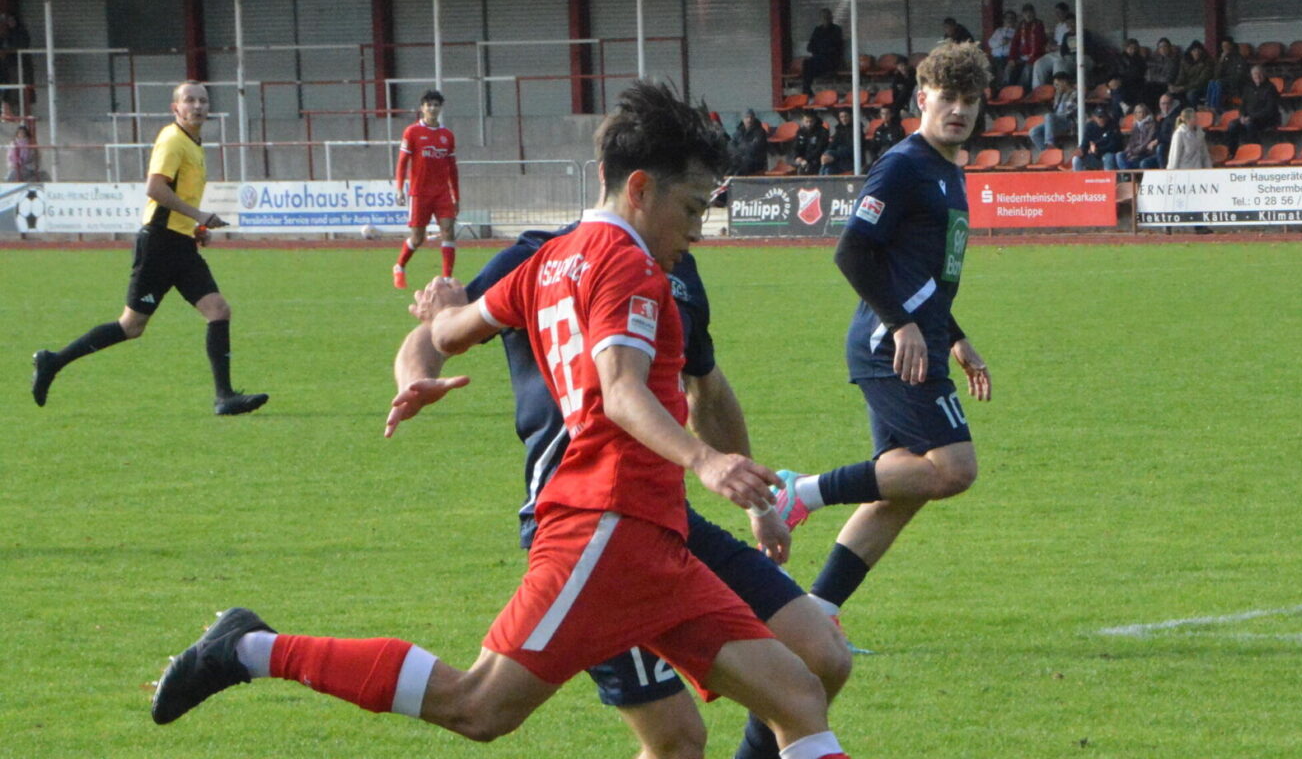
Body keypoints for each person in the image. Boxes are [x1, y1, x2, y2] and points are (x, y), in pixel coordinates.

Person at [150, 81, 853, 759]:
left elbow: (455, 330)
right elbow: (619, 388)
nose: (697, 230)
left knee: (798, 695)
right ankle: (250, 649)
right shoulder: (628, 268)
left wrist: (442, 313)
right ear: (638, 188)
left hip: (654, 539)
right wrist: (707, 461)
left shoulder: (548, 260)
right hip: (603, 526)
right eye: (692, 209)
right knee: (480, 705)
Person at [383, 231, 853, 759]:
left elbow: (708, 390)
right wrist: (416, 379)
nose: (695, 223)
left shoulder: (676, 268)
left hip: (660, 515)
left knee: (822, 656)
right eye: (691, 202)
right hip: (581, 523)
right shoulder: (541, 257)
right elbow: (435, 333)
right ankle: (270, 651)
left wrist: (759, 503)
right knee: (675, 741)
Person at [765, 41, 994, 640]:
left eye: (970, 100)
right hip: (888, 346)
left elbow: (924, 272)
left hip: (917, 340)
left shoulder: (947, 171)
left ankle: (817, 615)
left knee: (902, 487)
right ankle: (801, 492)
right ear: (923, 98)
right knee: (954, 469)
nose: (959, 110)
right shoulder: (903, 165)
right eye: (948, 98)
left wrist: (955, 337)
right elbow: (852, 251)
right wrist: (903, 326)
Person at [29, 81, 266, 416]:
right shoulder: (172, 139)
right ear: (176, 108)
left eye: (202, 100)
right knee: (131, 326)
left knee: (218, 310)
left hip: (180, 243)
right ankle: (54, 361)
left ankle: (224, 397)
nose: (197, 106)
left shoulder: (194, 144)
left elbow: (177, 197)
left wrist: (194, 228)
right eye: (189, 100)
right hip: (159, 244)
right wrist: (198, 215)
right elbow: (155, 188)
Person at [392, 89, 460, 289]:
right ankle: (399, 266)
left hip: (442, 194)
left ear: (440, 108)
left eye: (436, 105)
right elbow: (402, 163)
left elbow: (452, 169)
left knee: (448, 231)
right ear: (422, 108)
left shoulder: (447, 136)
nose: (432, 108)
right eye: (428, 104)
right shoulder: (412, 132)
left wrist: (456, 196)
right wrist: (399, 188)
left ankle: (447, 279)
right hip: (419, 193)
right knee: (418, 237)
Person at [1226, 64, 1279, 151]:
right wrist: (1242, 116)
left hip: (1266, 119)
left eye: (1259, 73)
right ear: (1251, 76)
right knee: (1232, 124)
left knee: (1249, 124)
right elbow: (1242, 106)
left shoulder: (1270, 88)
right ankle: (1232, 152)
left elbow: (1270, 110)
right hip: (1248, 118)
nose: (1257, 76)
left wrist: (1251, 117)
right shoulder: (1248, 88)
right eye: (1255, 74)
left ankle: (1254, 150)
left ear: (1264, 74)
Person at [1029, 71, 1077, 153]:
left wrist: (1054, 117)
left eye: (1057, 84)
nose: (1056, 87)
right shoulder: (1058, 94)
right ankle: (1047, 153)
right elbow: (1056, 109)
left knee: (1049, 116)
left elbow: (1068, 112)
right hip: (1056, 122)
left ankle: (1050, 143)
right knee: (1033, 132)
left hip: (1068, 122)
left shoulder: (1075, 93)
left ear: (1064, 82)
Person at [802, 9, 845, 97]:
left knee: (817, 61)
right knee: (807, 63)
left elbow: (835, 47)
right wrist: (820, 48)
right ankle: (806, 90)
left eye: (827, 17)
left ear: (831, 18)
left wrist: (821, 47)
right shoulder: (817, 30)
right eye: (823, 17)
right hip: (818, 59)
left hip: (831, 61)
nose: (825, 19)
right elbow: (810, 47)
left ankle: (807, 91)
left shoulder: (836, 29)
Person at [1004, 3, 1047, 90]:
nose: (1028, 15)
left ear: (1034, 13)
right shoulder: (1021, 25)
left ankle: (1021, 91)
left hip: (1035, 56)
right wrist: (1012, 58)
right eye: (1026, 13)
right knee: (1009, 68)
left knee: (1027, 69)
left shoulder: (1039, 24)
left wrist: (1030, 58)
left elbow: (1039, 44)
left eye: (1030, 12)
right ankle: (1006, 90)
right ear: (1023, 15)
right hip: (1022, 57)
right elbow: (1015, 43)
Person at [1030, 2, 1072, 88]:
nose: (1058, 15)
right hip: (1054, 52)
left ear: (1066, 12)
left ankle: (1057, 91)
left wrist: (1056, 47)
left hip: (1064, 53)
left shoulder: (1071, 24)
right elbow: (1056, 41)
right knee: (1039, 63)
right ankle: (1038, 90)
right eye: (1056, 13)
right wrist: (1049, 45)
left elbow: (1069, 45)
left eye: (1060, 13)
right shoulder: (1058, 26)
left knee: (1058, 63)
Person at [1205, 37, 1247, 113]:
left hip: (1235, 83)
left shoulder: (1239, 58)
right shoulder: (1224, 58)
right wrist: (1221, 61)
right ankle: (1208, 105)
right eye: (1223, 46)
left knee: (1218, 82)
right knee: (1212, 82)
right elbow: (1216, 75)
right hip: (1224, 81)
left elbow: (1239, 76)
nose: (1225, 48)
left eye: (1227, 46)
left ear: (1231, 46)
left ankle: (1215, 106)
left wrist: (1226, 80)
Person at [1167, 41, 1212, 109]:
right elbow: (1181, 77)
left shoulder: (1207, 62)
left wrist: (1183, 88)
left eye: (1199, 50)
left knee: (1191, 94)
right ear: (1190, 52)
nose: (1196, 52)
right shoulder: (1185, 61)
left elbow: (1201, 81)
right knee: (1170, 93)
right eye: (1194, 50)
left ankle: (1194, 111)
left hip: (1201, 87)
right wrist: (1175, 86)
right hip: (1186, 86)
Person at [1117, 102, 1159, 170]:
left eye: (1140, 112)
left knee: (1135, 160)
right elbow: (1132, 141)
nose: (1138, 114)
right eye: (1136, 112)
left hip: (1145, 152)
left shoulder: (1151, 124)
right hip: (1134, 151)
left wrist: (1134, 152)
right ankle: (1127, 176)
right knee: (1120, 155)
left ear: (1145, 113)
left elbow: (1147, 140)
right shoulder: (1136, 125)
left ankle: (1130, 174)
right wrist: (1128, 151)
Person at [730, 109, 770, 176]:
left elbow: (754, 148)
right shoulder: (739, 131)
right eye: (747, 117)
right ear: (743, 119)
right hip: (741, 158)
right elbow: (731, 145)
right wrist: (738, 153)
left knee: (741, 168)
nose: (749, 120)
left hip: (756, 161)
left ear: (754, 118)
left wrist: (739, 147)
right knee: (730, 164)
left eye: (751, 117)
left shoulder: (760, 132)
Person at [1142, 37, 1179, 108]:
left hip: (1167, 85)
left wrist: (1154, 77)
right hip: (1153, 84)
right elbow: (1148, 76)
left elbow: (1168, 78)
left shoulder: (1174, 60)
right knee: (1144, 90)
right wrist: (1155, 76)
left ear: (1169, 47)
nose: (1163, 49)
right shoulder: (1153, 59)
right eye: (1160, 47)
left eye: (1165, 46)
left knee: (1153, 92)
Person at [1113, 38, 1148, 112]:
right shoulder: (1119, 59)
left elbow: (1140, 73)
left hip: (1136, 83)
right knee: (1115, 89)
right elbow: (1114, 72)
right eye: (1130, 48)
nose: (1133, 50)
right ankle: (1122, 105)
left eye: (1135, 48)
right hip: (1122, 83)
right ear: (1126, 48)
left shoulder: (1140, 60)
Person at [820, 108, 857, 176]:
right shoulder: (839, 129)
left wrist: (834, 156)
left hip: (849, 161)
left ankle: (820, 182)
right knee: (827, 164)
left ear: (851, 116)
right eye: (841, 117)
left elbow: (852, 149)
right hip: (838, 160)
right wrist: (826, 155)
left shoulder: (856, 129)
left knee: (828, 166)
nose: (844, 119)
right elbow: (833, 144)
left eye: (846, 116)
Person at [985, 10, 1018, 86]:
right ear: (1004, 19)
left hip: (1007, 57)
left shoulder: (1016, 32)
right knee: (987, 69)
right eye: (1007, 18)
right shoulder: (999, 31)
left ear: (1015, 20)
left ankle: (1002, 89)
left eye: (1012, 18)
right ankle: (989, 90)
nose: (1009, 20)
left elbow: (1017, 47)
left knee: (1004, 70)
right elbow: (990, 43)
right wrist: (1000, 42)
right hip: (995, 57)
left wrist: (1010, 41)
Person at [792, 110, 830, 175]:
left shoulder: (822, 132)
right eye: (806, 121)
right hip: (804, 160)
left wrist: (807, 160)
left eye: (811, 121)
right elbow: (796, 146)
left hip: (817, 160)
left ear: (815, 121)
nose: (809, 124)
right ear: (803, 121)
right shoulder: (801, 132)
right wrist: (797, 157)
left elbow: (819, 149)